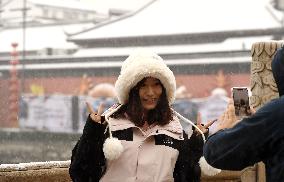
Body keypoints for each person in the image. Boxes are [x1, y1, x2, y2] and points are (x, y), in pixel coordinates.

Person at [69, 50, 218, 182]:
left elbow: (187, 176)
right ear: (131, 89)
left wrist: (196, 142)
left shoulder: (175, 130)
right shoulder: (108, 125)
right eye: (143, 85)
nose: (151, 92)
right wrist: (92, 130)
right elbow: (81, 174)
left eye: (156, 84)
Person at [203, 46, 284, 181]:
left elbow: (217, 153)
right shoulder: (274, 115)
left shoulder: (277, 113)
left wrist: (225, 128)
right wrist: (258, 121)